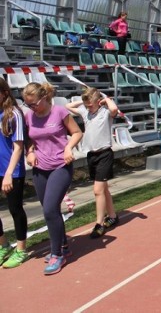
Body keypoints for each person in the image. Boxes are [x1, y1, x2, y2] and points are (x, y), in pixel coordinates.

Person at [23, 82, 83, 275]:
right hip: (40, 168)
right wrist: (30, 152)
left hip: (60, 166)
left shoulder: (59, 113)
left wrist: (68, 147)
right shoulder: (29, 116)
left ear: (43, 98)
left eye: (33, 104)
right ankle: (64, 244)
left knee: (49, 210)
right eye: (27, 104)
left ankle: (57, 254)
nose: (31, 108)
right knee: (50, 210)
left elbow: (77, 132)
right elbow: (29, 138)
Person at [66, 88, 120, 239]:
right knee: (103, 189)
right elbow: (68, 107)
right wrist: (84, 102)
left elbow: (114, 108)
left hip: (104, 154)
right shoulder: (85, 112)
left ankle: (99, 224)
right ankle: (113, 216)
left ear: (98, 102)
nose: (88, 107)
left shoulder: (106, 112)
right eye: (86, 105)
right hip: (92, 155)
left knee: (98, 190)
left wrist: (105, 98)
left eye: (90, 105)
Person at [0, 78, 29, 269]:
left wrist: (9, 173)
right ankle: (3, 245)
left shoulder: (15, 114)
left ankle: (21, 249)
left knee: (15, 209)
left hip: (12, 171)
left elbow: (18, 147)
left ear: (4, 92)